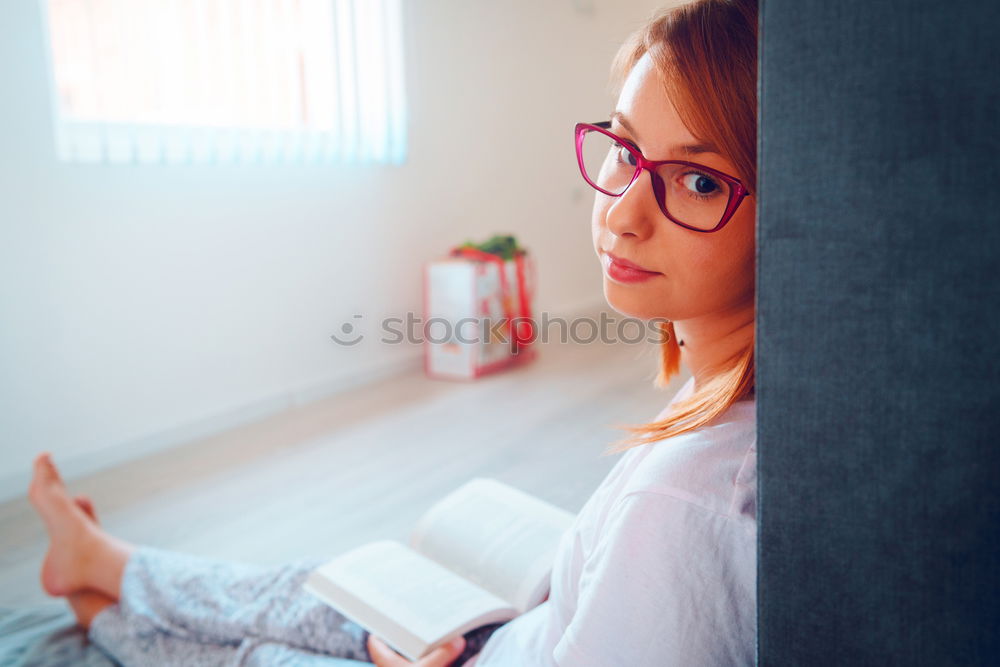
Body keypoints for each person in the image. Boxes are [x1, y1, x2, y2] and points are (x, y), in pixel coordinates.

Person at [27, 0, 758, 664]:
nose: (624, 212)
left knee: (255, 654)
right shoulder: (728, 404)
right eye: (626, 152)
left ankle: (105, 610)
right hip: (504, 637)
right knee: (312, 592)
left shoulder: (685, 504)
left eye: (700, 182)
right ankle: (103, 564)